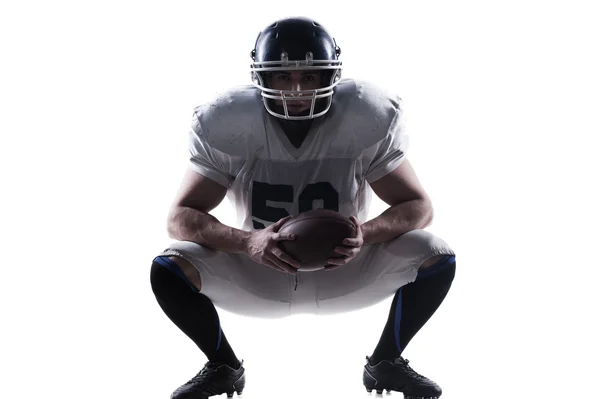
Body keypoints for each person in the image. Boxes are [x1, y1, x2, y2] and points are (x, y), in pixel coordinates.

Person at [150, 16, 457, 399]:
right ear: (260, 79)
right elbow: (180, 217)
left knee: (435, 253)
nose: (296, 90)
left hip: (344, 268)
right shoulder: (231, 122)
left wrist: (366, 233)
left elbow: (418, 206)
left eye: (309, 77)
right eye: (282, 77)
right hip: (260, 270)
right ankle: (222, 366)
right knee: (170, 264)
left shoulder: (363, 117)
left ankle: (386, 362)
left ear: (332, 76)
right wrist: (248, 242)